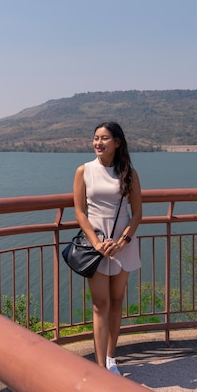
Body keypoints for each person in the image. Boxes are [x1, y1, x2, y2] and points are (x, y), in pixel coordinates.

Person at [73, 122, 142, 375]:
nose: (98, 143)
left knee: (116, 301)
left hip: (122, 243)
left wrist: (123, 241)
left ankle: (112, 358)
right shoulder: (84, 170)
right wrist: (96, 243)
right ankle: (100, 365)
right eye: (95, 138)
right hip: (97, 244)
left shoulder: (129, 173)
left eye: (104, 138)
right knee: (100, 304)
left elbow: (136, 214)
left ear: (117, 142)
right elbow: (80, 212)